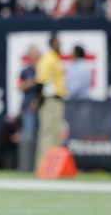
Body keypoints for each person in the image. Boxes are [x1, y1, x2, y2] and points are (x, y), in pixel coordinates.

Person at [34, 34, 66, 170]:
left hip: (56, 99)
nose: (60, 46)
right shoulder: (48, 58)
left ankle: (53, 166)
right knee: (47, 133)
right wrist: (38, 100)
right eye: (57, 43)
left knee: (55, 134)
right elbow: (41, 81)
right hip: (49, 100)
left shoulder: (55, 59)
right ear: (52, 44)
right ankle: (43, 166)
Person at [17, 46, 41, 172]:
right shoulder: (25, 71)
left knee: (42, 137)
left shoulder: (43, 69)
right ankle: (27, 166)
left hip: (42, 107)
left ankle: (40, 166)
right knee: (28, 136)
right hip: (28, 107)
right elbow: (19, 87)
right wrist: (29, 83)